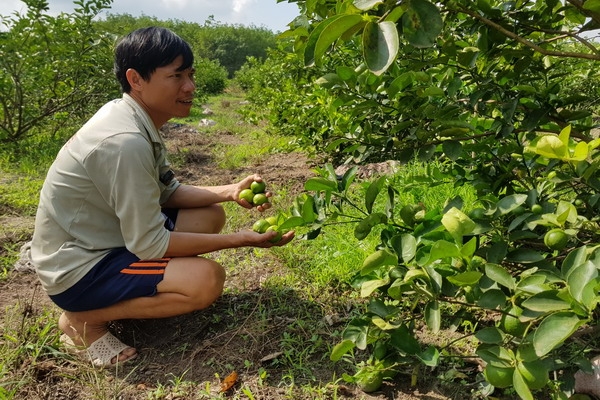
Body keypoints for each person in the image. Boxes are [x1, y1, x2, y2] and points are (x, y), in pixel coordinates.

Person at [30, 26, 294, 367]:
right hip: (80, 269)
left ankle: (125, 295)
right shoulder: (124, 141)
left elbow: (166, 192)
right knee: (204, 280)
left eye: (190, 74)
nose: (190, 87)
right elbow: (150, 244)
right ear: (136, 79)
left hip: (105, 239)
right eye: (176, 76)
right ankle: (84, 320)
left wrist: (230, 191)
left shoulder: (134, 119)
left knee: (210, 214)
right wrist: (241, 239)